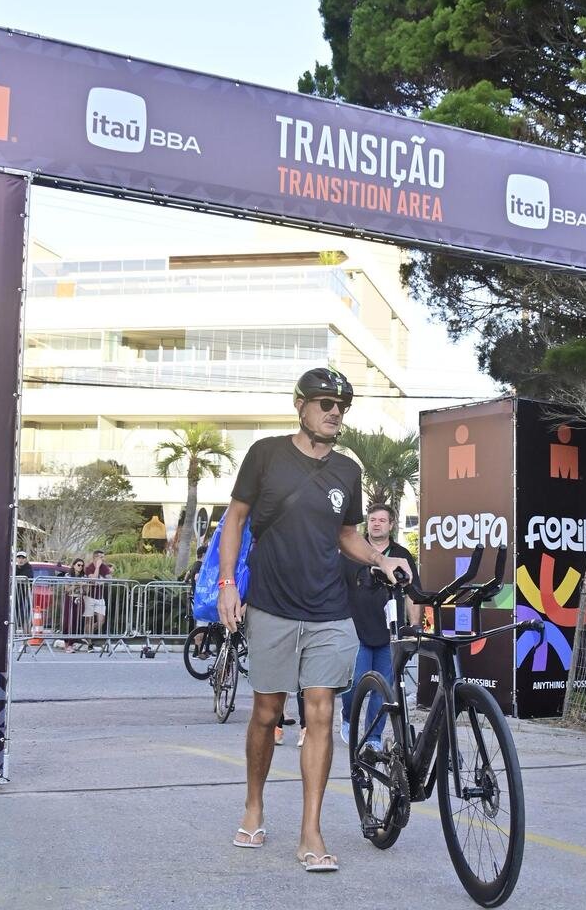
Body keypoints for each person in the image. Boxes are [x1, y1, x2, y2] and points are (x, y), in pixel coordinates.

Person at [218, 367, 411, 872]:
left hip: (328, 608)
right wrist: (227, 584)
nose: (335, 412)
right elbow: (236, 518)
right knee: (267, 712)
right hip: (272, 604)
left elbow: (346, 534)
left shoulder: (347, 470)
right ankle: (254, 805)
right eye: (326, 403)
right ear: (300, 406)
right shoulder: (265, 454)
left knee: (321, 711)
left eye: (341, 406)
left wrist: (380, 559)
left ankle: (311, 831)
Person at [340, 503, 421, 750]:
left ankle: (373, 738)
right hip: (356, 632)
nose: (376, 524)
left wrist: (414, 627)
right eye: (373, 519)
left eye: (382, 520)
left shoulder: (401, 556)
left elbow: (412, 594)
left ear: (391, 525)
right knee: (355, 684)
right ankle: (347, 716)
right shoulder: (352, 551)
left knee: (383, 690)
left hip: (390, 635)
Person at [83, 549, 111, 645]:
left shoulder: (104, 567)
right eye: (101, 557)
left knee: (101, 621)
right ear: (95, 557)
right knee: (89, 620)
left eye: (103, 557)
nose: (103, 559)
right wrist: (97, 567)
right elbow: (93, 579)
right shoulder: (89, 567)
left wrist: (108, 575)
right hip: (89, 597)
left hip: (100, 597)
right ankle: (89, 642)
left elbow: (109, 578)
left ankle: (87, 635)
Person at [62, 558, 86, 652]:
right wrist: (77, 584)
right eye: (78, 565)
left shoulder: (84, 576)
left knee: (76, 622)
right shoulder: (68, 575)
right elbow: (67, 590)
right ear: (74, 565)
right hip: (70, 598)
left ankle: (71, 644)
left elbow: (86, 590)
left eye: (82, 565)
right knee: (68, 621)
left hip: (79, 599)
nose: (80, 567)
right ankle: (66, 643)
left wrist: (83, 587)